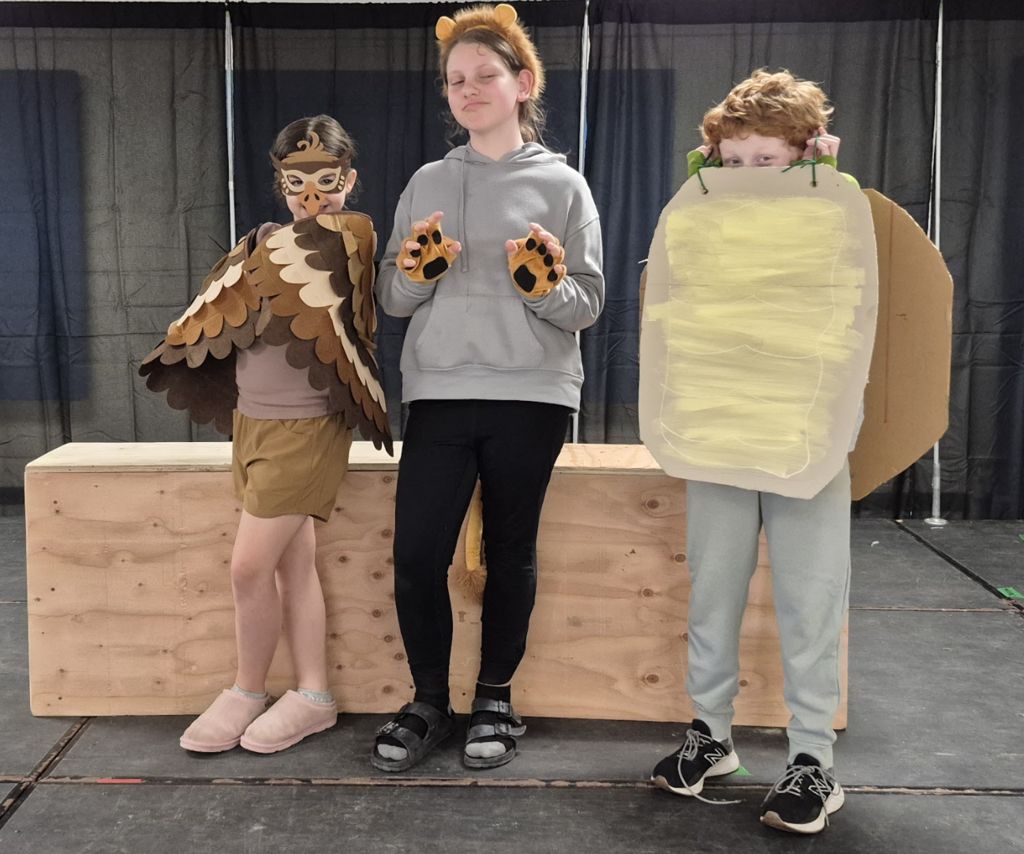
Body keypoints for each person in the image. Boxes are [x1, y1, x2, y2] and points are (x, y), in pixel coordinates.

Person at [370, 3, 604, 772]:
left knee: (510, 551)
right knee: (416, 555)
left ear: (521, 83)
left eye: (484, 76)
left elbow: (588, 305)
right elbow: (393, 301)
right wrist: (414, 272)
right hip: (438, 391)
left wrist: (543, 288)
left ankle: (495, 698)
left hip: (532, 395)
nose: (467, 90)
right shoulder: (428, 181)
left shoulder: (565, 186)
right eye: (455, 80)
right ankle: (429, 701)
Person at [140, 115, 391, 754]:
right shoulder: (263, 242)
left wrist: (279, 242)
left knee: (248, 568)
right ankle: (313, 694)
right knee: (292, 566)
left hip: (308, 428)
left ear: (350, 180)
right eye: (295, 182)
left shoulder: (350, 240)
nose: (312, 197)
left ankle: (248, 688)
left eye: (327, 181)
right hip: (253, 420)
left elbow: (342, 294)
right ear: (278, 182)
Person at [648, 70, 854, 835]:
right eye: (732, 164)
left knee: (808, 600)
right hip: (723, 433)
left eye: (766, 161)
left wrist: (822, 185)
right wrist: (711, 188)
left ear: (803, 156)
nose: (747, 178)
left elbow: (847, 291)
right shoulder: (708, 220)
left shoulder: (833, 210)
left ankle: (812, 763)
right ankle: (712, 737)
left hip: (805, 439)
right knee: (715, 590)